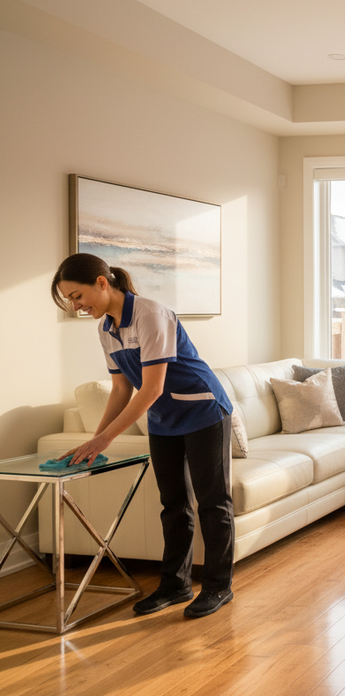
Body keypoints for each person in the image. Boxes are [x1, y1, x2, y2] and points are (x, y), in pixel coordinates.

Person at [51, 253, 235, 618]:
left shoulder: (151, 315)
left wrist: (103, 440)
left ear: (102, 283)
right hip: (165, 420)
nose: (75, 306)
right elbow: (121, 389)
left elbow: (150, 389)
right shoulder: (106, 329)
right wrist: (94, 437)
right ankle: (175, 585)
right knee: (172, 504)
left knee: (212, 503)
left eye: (76, 296)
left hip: (202, 411)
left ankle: (218, 586)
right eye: (70, 300)